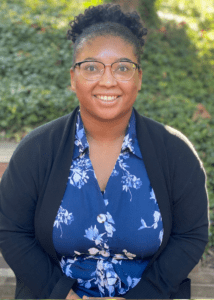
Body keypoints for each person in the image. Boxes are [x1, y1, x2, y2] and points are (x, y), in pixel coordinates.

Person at [0, 3, 209, 300]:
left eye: (123, 67)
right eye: (92, 67)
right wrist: (62, 296)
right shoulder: (35, 151)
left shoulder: (175, 153)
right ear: (73, 78)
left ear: (139, 78)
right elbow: (12, 231)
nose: (108, 80)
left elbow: (190, 236)